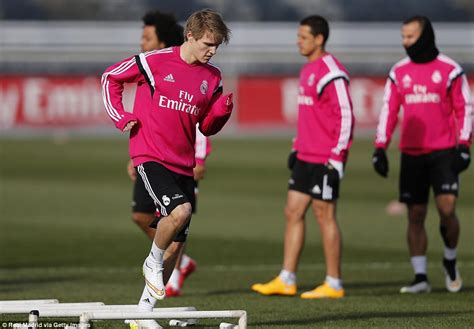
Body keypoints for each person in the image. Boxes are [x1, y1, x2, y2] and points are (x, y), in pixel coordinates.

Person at [102, 8, 232, 328]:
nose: (212, 51)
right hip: (150, 155)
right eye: (207, 44)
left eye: (216, 46)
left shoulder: (212, 76)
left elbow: (206, 126)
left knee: (176, 244)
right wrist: (121, 117)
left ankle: (143, 314)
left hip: (183, 163)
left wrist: (220, 115)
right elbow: (110, 79)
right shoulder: (155, 61)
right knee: (181, 211)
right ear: (190, 36)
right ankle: (151, 260)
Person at [251, 15, 354, 299]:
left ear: (319, 39)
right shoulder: (308, 69)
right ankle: (287, 278)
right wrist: (297, 146)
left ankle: (333, 283)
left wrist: (337, 157)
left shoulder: (332, 71)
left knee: (325, 215)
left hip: (325, 158)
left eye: (303, 36)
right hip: (306, 155)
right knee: (292, 212)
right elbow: (310, 116)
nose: (298, 41)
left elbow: (345, 116)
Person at [373, 15, 472, 294]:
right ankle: (420, 277)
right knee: (415, 214)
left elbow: (465, 108)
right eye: (403, 37)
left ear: (425, 36)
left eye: (410, 37)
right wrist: (380, 147)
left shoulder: (450, 70)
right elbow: (388, 111)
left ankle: (450, 260)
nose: (405, 42)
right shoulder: (399, 72)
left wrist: (464, 145)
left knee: (447, 210)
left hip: (444, 152)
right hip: (412, 154)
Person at [126, 10, 211, 298]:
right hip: (150, 155)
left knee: (178, 214)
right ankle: (168, 259)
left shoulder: (196, 73)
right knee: (141, 215)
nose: (141, 42)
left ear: (162, 40)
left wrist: (200, 157)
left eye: (147, 37)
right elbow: (150, 115)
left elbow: (193, 118)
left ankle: (159, 274)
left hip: (180, 160)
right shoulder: (150, 67)